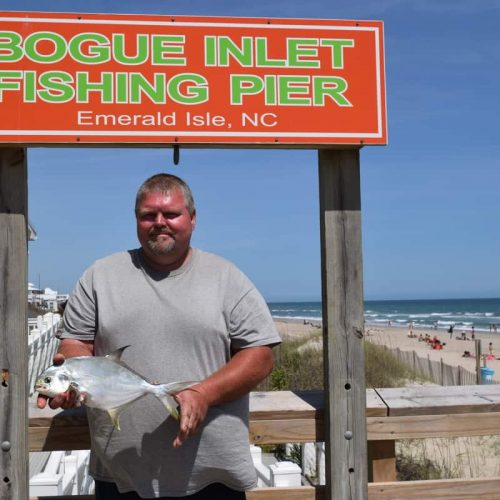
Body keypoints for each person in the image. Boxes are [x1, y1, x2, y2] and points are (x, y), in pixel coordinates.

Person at [37, 173, 281, 499]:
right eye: (148, 215)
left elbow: (261, 356)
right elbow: (75, 342)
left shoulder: (227, 278)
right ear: (136, 220)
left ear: (192, 219)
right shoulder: (99, 276)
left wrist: (204, 394)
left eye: (171, 214)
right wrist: (72, 374)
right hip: (120, 474)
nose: (159, 223)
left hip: (213, 477)